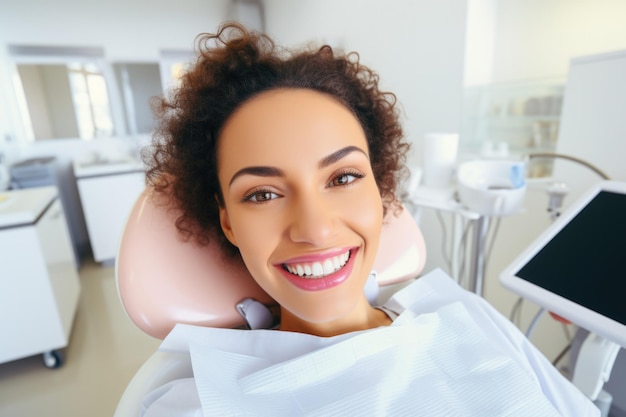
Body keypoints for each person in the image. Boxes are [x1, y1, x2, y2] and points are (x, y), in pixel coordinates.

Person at [140, 22, 598, 416]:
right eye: (262, 193)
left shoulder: (466, 315)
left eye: (342, 177)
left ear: (381, 192)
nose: (315, 229)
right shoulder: (201, 403)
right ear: (228, 223)